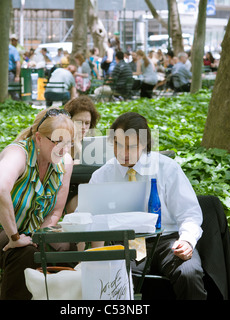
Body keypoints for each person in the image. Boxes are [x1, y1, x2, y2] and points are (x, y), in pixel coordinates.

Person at [0, 107, 75, 300]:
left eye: (69, 143)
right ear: (38, 138)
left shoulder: (65, 162)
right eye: (57, 142)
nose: (64, 148)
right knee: (23, 253)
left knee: (66, 247)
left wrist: (39, 240)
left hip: (28, 235)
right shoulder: (17, 153)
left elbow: (55, 212)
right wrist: (14, 236)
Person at [87, 112, 206, 300]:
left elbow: (189, 213)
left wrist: (187, 240)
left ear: (145, 144)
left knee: (189, 273)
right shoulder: (102, 175)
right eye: (117, 145)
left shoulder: (167, 168)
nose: (123, 153)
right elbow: (86, 217)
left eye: (131, 146)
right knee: (113, 279)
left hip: (167, 240)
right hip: (124, 243)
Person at [63, 96, 101, 214]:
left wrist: (79, 144)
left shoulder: (93, 144)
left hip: (87, 190)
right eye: (79, 122)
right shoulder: (59, 142)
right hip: (64, 193)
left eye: (87, 123)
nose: (83, 127)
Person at [8, 35, 21, 101]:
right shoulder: (12, 49)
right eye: (12, 40)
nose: (14, 42)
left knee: (12, 90)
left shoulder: (14, 49)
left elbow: (18, 63)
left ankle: (17, 103)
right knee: (10, 90)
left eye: (15, 40)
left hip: (10, 73)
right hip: (8, 73)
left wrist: (17, 76)